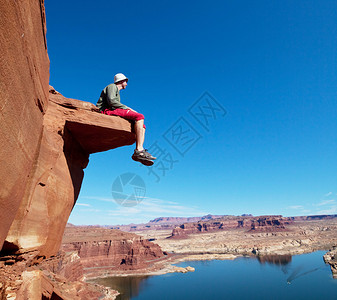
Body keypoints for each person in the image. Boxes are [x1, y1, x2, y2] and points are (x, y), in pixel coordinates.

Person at [97, 73, 156, 166]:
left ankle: (139, 153)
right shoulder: (112, 86)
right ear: (121, 81)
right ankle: (139, 150)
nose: (127, 84)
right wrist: (127, 108)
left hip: (112, 110)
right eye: (125, 81)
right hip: (106, 111)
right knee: (139, 116)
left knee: (143, 126)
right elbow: (112, 101)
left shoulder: (116, 90)